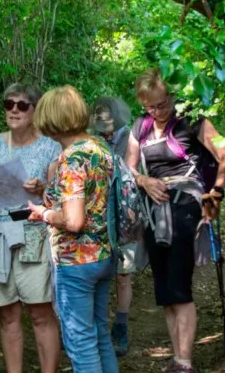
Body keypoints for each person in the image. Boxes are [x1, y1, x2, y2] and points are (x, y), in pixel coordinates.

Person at [126, 69, 225, 373]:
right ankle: (177, 359)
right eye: (149, 106)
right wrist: (144, 180)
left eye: (161, 104)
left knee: (178, 284)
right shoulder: (140, 126)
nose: (156, 112)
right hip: (153, 210)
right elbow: (128, 168)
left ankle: (185, 363)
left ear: (172, 96)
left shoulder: (193, 119)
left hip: (185, 207)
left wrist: (216, 191)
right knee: (164, 290)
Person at [27, 86, 118, 373]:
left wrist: (44, 213)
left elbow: (74, 220)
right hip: (104, 253)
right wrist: (48, 192)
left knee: (80, 342)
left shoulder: (72, 158)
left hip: (77, 260)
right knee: (100, 335)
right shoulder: (99, 147)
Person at [0, 83, 61, 373]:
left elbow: (59, 198)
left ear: (35, 111)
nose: (14, 110)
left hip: (33, 234)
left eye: (22, 105)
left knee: (40, 313)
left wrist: (42, 188)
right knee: (7, 315)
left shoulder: (50, 147)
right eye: (8, 104)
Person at [91, 96, 143, 356]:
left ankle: (120, 326)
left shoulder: (131, 139)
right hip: (98, 215)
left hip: (126, 215)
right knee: (96, 273)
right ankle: (95, 329)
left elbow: (134, 174)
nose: (106, 132)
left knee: (124, 275)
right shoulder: (93, 140)